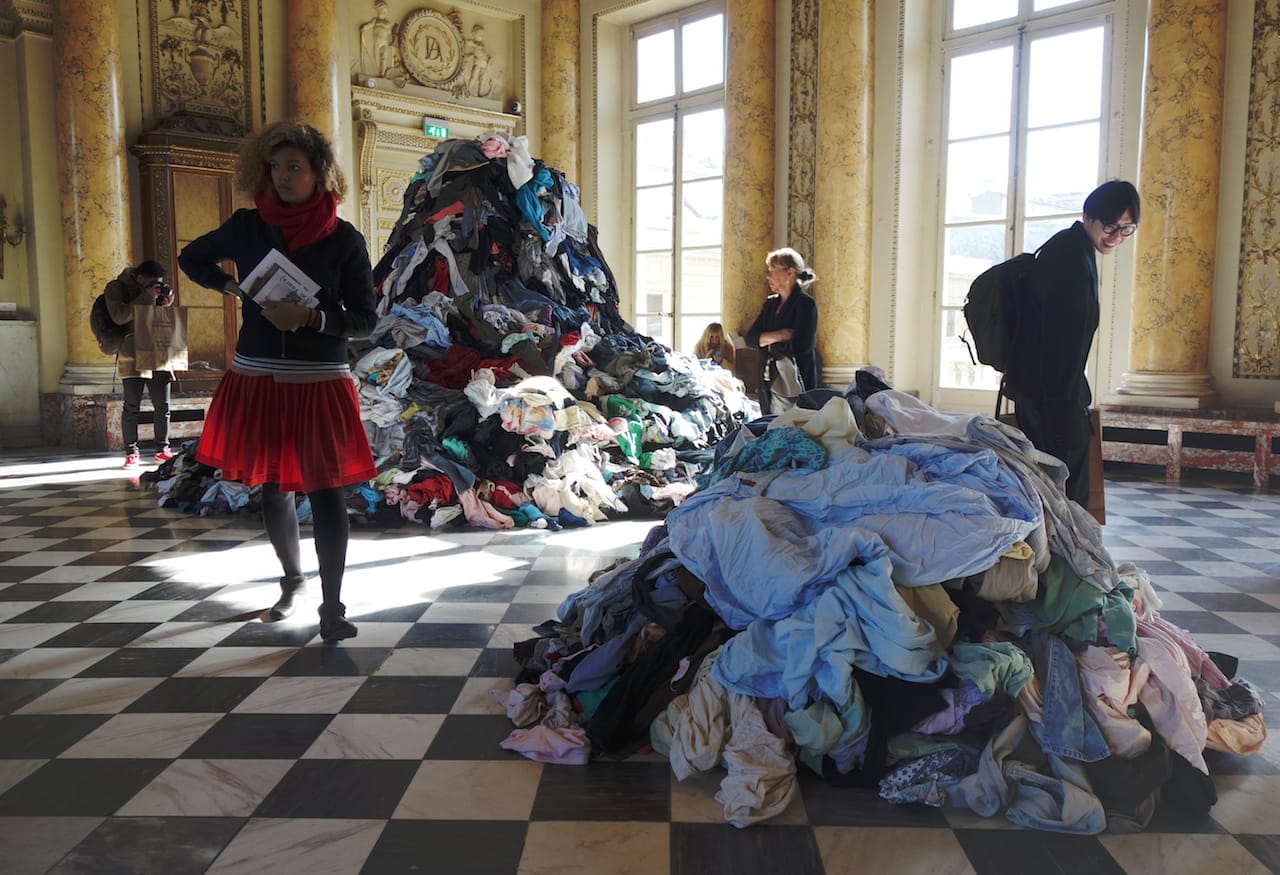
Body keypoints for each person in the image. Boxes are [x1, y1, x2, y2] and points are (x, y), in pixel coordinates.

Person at [178, 121, 378, 642]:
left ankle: (332, 605)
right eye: (276, 166)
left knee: (328, 491)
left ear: (319, 175)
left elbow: (365, 320)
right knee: (273, 487)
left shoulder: (344, 238)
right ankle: (292, 583)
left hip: (320, 378)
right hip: (259, 374)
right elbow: (191, 256)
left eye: (295, 167)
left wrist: (312, 320)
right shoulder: (248, 226)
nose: (284, 177)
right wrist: (230, 285)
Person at [1007, 179, 1141, 509]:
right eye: (1111, 225)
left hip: (1047, 393)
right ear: (1088, 217)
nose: (1117, 236)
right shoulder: (1070, 261)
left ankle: (1059, 554)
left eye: (1127, 229)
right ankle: (1068, 556)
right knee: (1064, 494)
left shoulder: (1072, 249)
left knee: (1051, 488)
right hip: (1052, 398)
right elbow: (1059, 345)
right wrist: (1063, 412)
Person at [105, 259, 176, 468]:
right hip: (132, 352)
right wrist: (146, 297)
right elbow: (119, 317)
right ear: (140, 277)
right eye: (153, 282)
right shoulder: (117, 288)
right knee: (132, 406)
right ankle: (131, 452)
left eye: (159, 283)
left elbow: (159, 320)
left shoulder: (153, 292)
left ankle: (162, 449)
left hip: (158, 351)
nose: (157, 286)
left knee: (162, 406)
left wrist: (165, 302)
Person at [743, 247, 819, 414]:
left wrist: (767, 342)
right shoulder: (770, 304)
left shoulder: (806, 304)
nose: (768, 276)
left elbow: (801, 346)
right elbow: (750, 339)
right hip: (766, 382)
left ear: (790, 273)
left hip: (795, 385)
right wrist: (782, 335)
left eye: (772, 271)